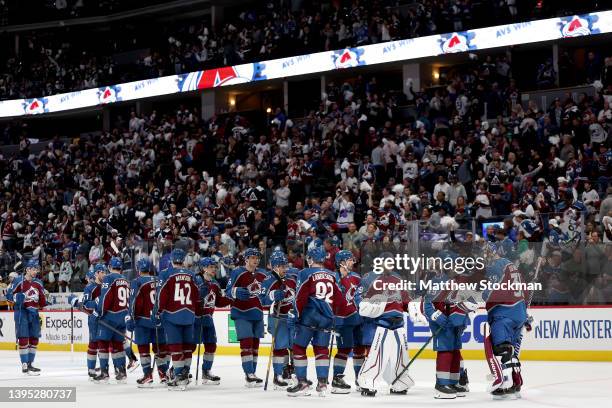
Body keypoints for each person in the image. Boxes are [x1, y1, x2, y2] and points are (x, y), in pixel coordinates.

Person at [287, 246, 345, 397]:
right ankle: (322, 384)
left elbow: (300, 296)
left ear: (311, 259)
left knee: (299, 347)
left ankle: (302, 383)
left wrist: (294, 314)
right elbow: (340, 299)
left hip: (309, 315)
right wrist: (336, 318)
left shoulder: (305, 273)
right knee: (321, 350)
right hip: (327, 318)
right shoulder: (332, 275)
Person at [357, 255, 414, 397]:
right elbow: (365, 301)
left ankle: (399, 383)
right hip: (383, 323)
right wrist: (370, 307)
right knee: (376, 356)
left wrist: (414, 311)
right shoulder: (376, 281)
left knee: (401, 357)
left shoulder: (399, 281)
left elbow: (407, 301)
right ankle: (368, 383)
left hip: (399, 324)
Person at [422, 252, 473, 399]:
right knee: (446, 350)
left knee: (455, 350)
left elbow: (467, 300)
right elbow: (428, 305)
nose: (456, 267)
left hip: (455, 324)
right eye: (453, 264)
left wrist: (465, 315)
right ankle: (442, 385)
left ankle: (453, 382)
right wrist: (438, 317)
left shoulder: (460, 281)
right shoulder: (437, 281)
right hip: (443, 324)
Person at [482, 243, 527, 400]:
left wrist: (478, 295)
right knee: (512, 350)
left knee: (502, 349)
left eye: (486, 252)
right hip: (519, 312)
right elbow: (524, 290)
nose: (484, 256)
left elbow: (491, 291)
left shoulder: (496, 266)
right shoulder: (510, 264)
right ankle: (516, 383)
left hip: (503, 313)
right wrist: (525, 313)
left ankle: (504, 384)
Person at [153, 249, 199, 390]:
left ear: (171, 260)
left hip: (172, 314)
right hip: (189, 315)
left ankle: (179, 376)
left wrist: (157, 311)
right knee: (187, 347)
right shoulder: (191, 275)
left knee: (176, 346)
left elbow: (162, 295)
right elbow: (197, 296)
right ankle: (184, 374)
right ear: (184, 260)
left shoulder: (166, 273)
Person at [225, 247, 267, 387]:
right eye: (253, 258)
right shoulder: (238, 272)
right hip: (241, 312)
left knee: (255, 345)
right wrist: (235, 291)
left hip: (257, 313)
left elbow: (266, 293)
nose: (256, 260)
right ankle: (248, 374)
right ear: (246, 259)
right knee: (247, 343)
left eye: (257, 258)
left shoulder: (262, 274)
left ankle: (252, 373)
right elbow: (227, 292)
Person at [126, 258, 169, 387]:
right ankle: (163, 374)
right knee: (160, 349)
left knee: (144, 349)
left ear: (138, 269)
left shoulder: (137, 282)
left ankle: (147, 375)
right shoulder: (158, 280)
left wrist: (132, 318)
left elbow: (134, 302)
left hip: (143, 322)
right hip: (158, 320)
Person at [261, 250, 297, 389]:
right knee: (281, 346)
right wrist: (273, 295)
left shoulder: (291, 278)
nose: (285, 268)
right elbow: (262, 300)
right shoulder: (268, 280)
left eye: (285, 265)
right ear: (275, 266)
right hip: (277, 317)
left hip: (291, 317)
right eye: (282, 266)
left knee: (294, 346)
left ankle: (291, 371)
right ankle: (278, 375)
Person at [194, 257, 231, 385]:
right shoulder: (196, 280)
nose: (214, 269)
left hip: (208, 319)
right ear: (204, 268)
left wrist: (231, 299)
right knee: (190, 346)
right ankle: (178, 370)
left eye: (215, 267)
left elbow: (219, 302)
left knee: (211, 345)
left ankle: (206, 371)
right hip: (195, 319)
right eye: (211, 267)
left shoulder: (215, 284)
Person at [330, 250, 363, 394]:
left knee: (360, 349)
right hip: (342, 321)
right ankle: (337, 379)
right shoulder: (333, 278)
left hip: (357, 318)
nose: (353, 262)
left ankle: (360, 378)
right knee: (344, 349)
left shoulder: (356, 277)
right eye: (349, 260)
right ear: (341, 262)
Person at [6, 259, 46, 375]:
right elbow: (8, 296)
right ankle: (24, 365)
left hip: (34, 313)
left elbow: (42, 300)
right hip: (22, 312)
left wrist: (46, 301)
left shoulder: (38, 282)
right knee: (24, 338)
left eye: (36, 269)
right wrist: (16, 297)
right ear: (28, 269)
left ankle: (30, 364)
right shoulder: (18, 281)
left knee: (34, 338)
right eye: (33, 269)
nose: (36, 271)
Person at [94, 257, 130, 384]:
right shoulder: (125, 280)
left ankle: (104, 373)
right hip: (123, 317)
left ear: (110, 267)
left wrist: (99, 312)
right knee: (118, 345)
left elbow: (105, 298)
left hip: (110, 317)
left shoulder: (109, 278)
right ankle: (122, 371)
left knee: (102, 343)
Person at [69, 264, 106, 380]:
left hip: (105, 319)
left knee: (103, 344)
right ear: (97, 273)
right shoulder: (89, 288)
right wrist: (96, 304)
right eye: (102, 272)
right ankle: (91, 369)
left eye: (105, 272)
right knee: (94, 344)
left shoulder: (107, 286)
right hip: (94, 320)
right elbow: (85, 305)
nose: (105, 274)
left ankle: (104, 369)